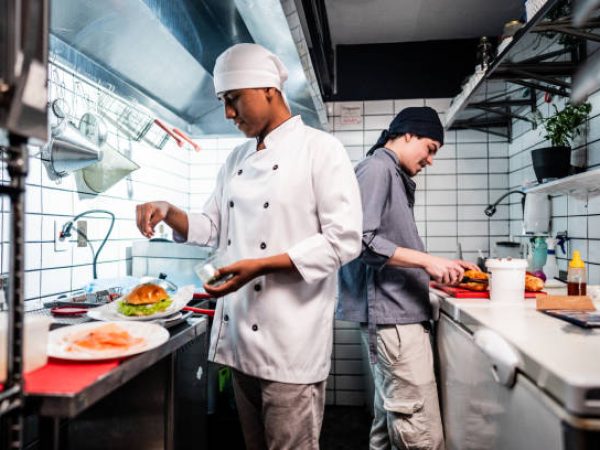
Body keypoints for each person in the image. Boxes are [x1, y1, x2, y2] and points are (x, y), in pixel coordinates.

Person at [135, 43, 362, 450]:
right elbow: (211, 227)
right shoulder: (235, 158)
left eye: (233, 99)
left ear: (269, 90)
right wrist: (169, 210)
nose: (227, 113)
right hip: (239, 341)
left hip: (292, 345)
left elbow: (344, 239)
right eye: (223, 101)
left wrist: (259, 266)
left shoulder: (321, 150)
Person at [337, 107, 479, 450]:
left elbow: (388, 251)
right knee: (420, 433)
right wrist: (428, 261)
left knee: (390, 424)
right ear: (408, 135)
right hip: (393, 322)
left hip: (396, 316)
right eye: (430, 148)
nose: (430, 160)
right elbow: (360, 240)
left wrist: (432, 271)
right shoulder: (376, 168)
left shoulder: (390, 173)